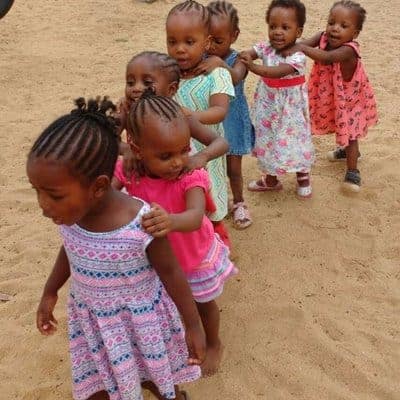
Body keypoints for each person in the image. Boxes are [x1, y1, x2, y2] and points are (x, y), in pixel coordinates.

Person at [29, 97, 205, 400]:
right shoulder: (71, 215)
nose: (43, 206)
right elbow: (69, 251)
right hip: (94, 324)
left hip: (142, 324)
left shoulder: (141, 222)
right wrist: (50, 290)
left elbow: (172, 273)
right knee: (99, 381)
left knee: (157, 377)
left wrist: (193, 326)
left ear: (98, 186)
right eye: (37, 192)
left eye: (54, 196)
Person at [112, 91, 237, 376]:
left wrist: (170, 221)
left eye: (184, 149)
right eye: (166, 155)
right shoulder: (130, 170)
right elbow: (106, 196)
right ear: (138, 150)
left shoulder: (189, 175)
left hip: (192, 257)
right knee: (169, 305)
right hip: (156, 263)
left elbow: (194, 217)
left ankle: (214, 342)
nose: (179, 161)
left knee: (203, 304)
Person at [288, 0, 377, 192]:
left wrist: (301, 49)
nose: (335, 29)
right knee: (338, 126)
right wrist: (289, 44)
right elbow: (303, 43)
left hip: (350, 101)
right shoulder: (322, 37)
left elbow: (326, 57)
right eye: (331, 23)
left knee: (351, 135)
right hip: (330, 96)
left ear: (355, 34)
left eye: (343, 26)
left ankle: (353, 172)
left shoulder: (349, 50)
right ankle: (345, 153)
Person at [166, 0, 235, 244]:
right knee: (180, 195)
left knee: (210, 193)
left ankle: (218, 236)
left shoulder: (216, 74)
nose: (180, 49)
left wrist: (189, 116)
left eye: (189, 42)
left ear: (206, 43)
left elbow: (219, 110)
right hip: (175, 150)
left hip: (207, 150)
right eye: (172, 42)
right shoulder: (167, 72)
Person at [239, 0, 315, 199]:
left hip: (291, 109)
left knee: (295, 140)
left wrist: (252, 67)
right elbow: (251, 52)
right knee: (268, 140)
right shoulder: (265, 47)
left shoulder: (298, 55)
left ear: (298, 32)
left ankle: (303, 175)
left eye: (285, 27)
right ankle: (271, 180)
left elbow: (276, 72)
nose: (277, 32)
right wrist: (244, 55)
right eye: (273, 26)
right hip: (268, 105)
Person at [114, 51, 229, 178]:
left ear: (171, 89)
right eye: (130, 83)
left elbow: (220, 142)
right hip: (142, 183)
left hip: (178, 179)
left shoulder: (177, 115)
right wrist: (127, 149)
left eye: (147, 83)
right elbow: (106, 139)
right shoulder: (127, 112)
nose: (136, 88)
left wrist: (202, 156)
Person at [193, 0, 255, 229]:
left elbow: (236, 77)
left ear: (234, 35)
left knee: (233, 168)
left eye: (218, 41)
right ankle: (214, 201)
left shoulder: (238, 59)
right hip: (209, 122)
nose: (211, 47)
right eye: (207, 40)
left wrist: (220, 64)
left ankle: (239, 202)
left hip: (232, 122)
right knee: (209, 165)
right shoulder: (201, 56)